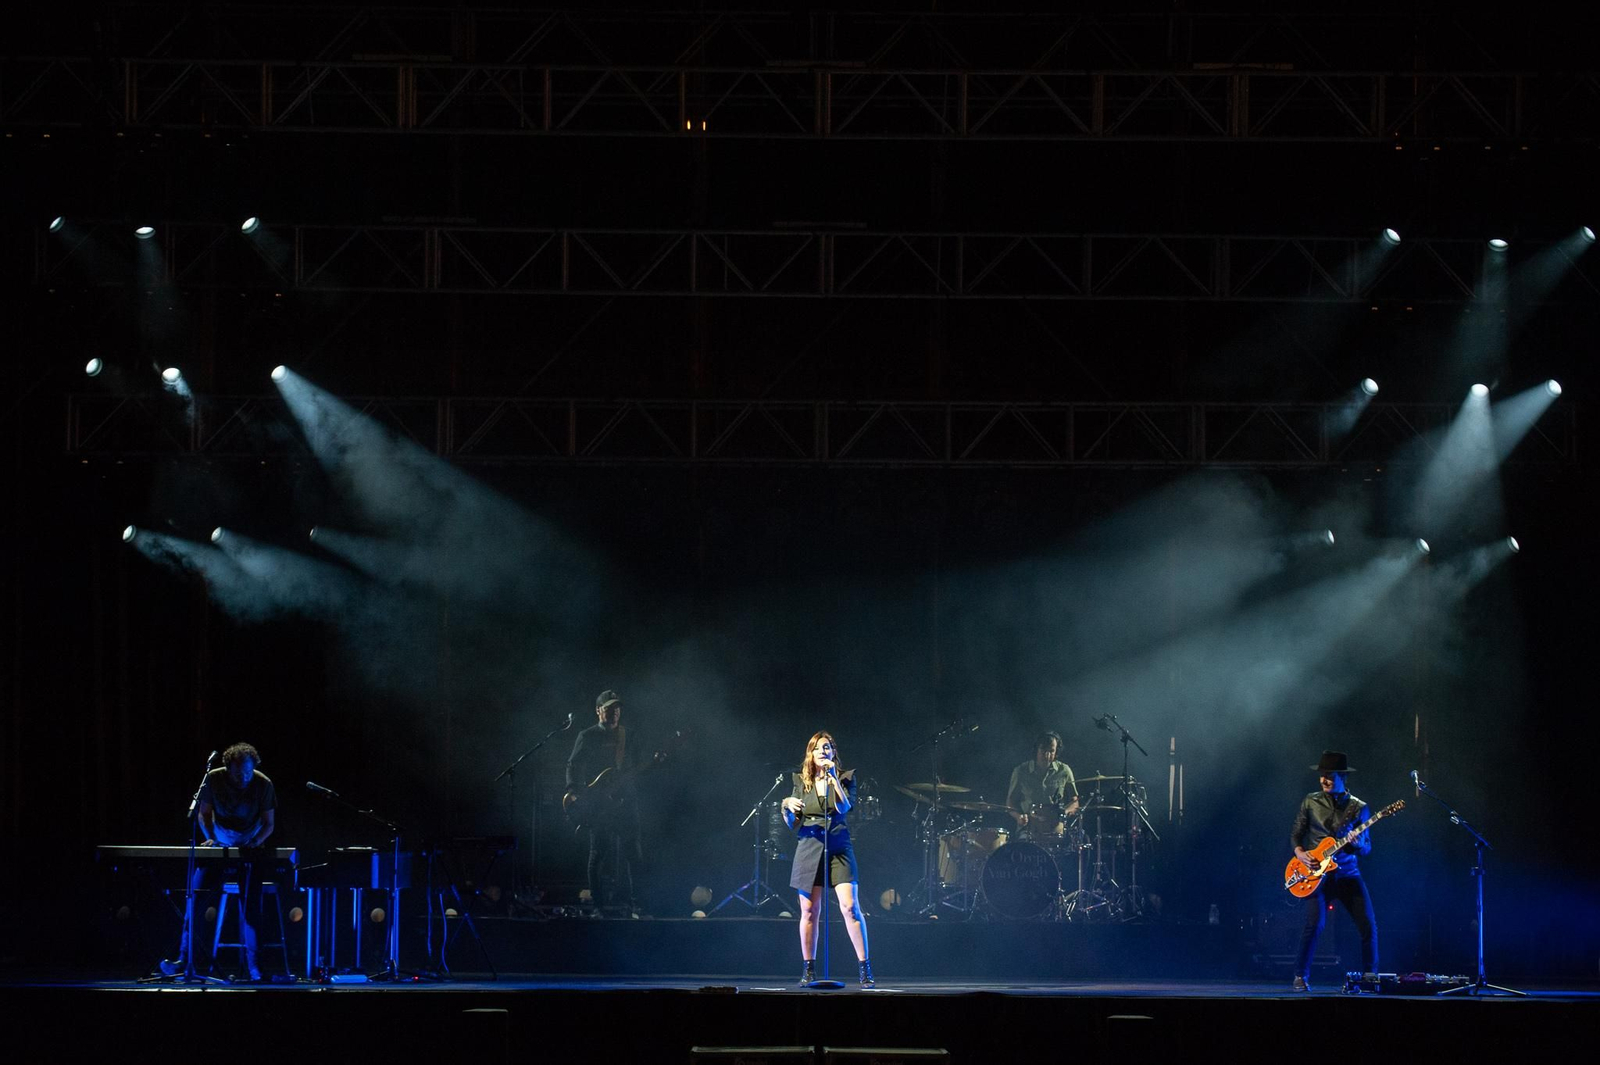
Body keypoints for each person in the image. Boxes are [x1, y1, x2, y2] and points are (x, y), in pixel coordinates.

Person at [161, 742, 278, 981]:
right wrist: (211, 839)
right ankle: (184, 960)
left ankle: (255, 967)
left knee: (251, 908)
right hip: (220, 842)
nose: (242, 778)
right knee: (195, 899)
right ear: (227, 768)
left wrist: (255, 842)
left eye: (246, 772)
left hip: (249, 845)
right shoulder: (213, 779)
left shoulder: (263, 783)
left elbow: (269, 823)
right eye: (237, 773)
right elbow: (204, 814)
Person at [782, 731, 873, 989]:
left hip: (838, 844)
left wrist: (833, 780)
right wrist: (786, 805)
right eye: (818, 748)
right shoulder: (801, 782)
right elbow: (792, 824)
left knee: (849, 908)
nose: (823, 752)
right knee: (810, 911)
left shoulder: (845, 778)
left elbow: (844, 808)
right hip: (808, 845)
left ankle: (865, 970)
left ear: (833, 753)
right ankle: (808, 971)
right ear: (810, 754)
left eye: (828, 748)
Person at [1289, 750, 1379, 992]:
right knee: (1315, 924)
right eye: (1322, 775)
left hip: (1347, 874)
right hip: (1316, 875)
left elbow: (1366, 848)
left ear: (1342, 776)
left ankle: (1370, 976)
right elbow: (1297, 832)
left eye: (1329, 775)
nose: (1323, 780)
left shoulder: (1359, 808)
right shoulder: (1310, 801)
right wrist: (1300, 852)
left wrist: (1358, 843)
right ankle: (1300, 975)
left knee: (1368, 925)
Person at [563, 689, 642, 914]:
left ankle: (633, 903)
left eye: (617, 708)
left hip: (626, 801)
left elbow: (637, 767)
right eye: (609, 708)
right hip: (600, 804)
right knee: (598, 854)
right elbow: (573, 765)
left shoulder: (629, 735)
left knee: (633, 853)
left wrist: (654, 763)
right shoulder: (587, 735)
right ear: (599, 711)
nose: (614, 712)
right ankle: (598, 905)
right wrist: (575, 791)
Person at [1005, 730, 1079, 843]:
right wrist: (1018, 817)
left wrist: (1065, 812)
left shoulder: (1064, 771)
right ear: (1036, 749)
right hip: (1028, 829)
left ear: (1056, 751)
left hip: (1055, 829)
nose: (1047, 755)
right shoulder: (1021, 771)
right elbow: (1010, 802)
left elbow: (1075, 801)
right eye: (1043, 750)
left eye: (1051, 751)